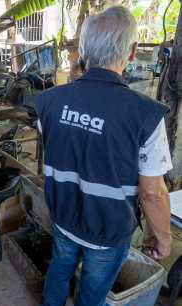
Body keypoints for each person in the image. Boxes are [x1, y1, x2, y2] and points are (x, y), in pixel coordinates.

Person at [35, 6, 172, 306]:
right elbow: (152, 193)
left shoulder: (48, 101)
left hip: (63, 216)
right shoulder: (146, 115)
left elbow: (64, 149)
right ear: (133, 51)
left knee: (59, 269)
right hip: (106, 232)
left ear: (83, 49)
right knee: (92, 293)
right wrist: (162, 237)